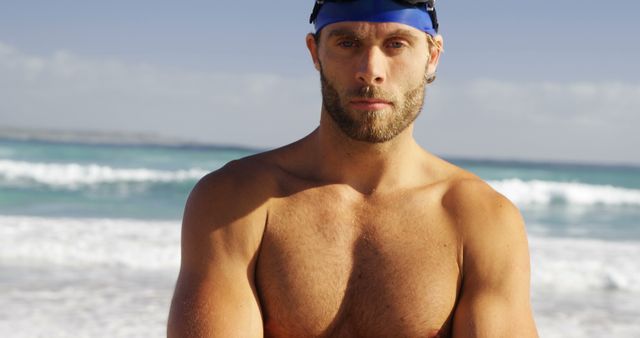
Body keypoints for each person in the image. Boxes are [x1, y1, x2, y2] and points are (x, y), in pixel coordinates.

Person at [168, 0, 539, 336]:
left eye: (396, 44)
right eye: (347, 43)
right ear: (315, 52)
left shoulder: (482, 219)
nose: (370, 71)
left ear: (432, 55)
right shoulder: (234, 203)